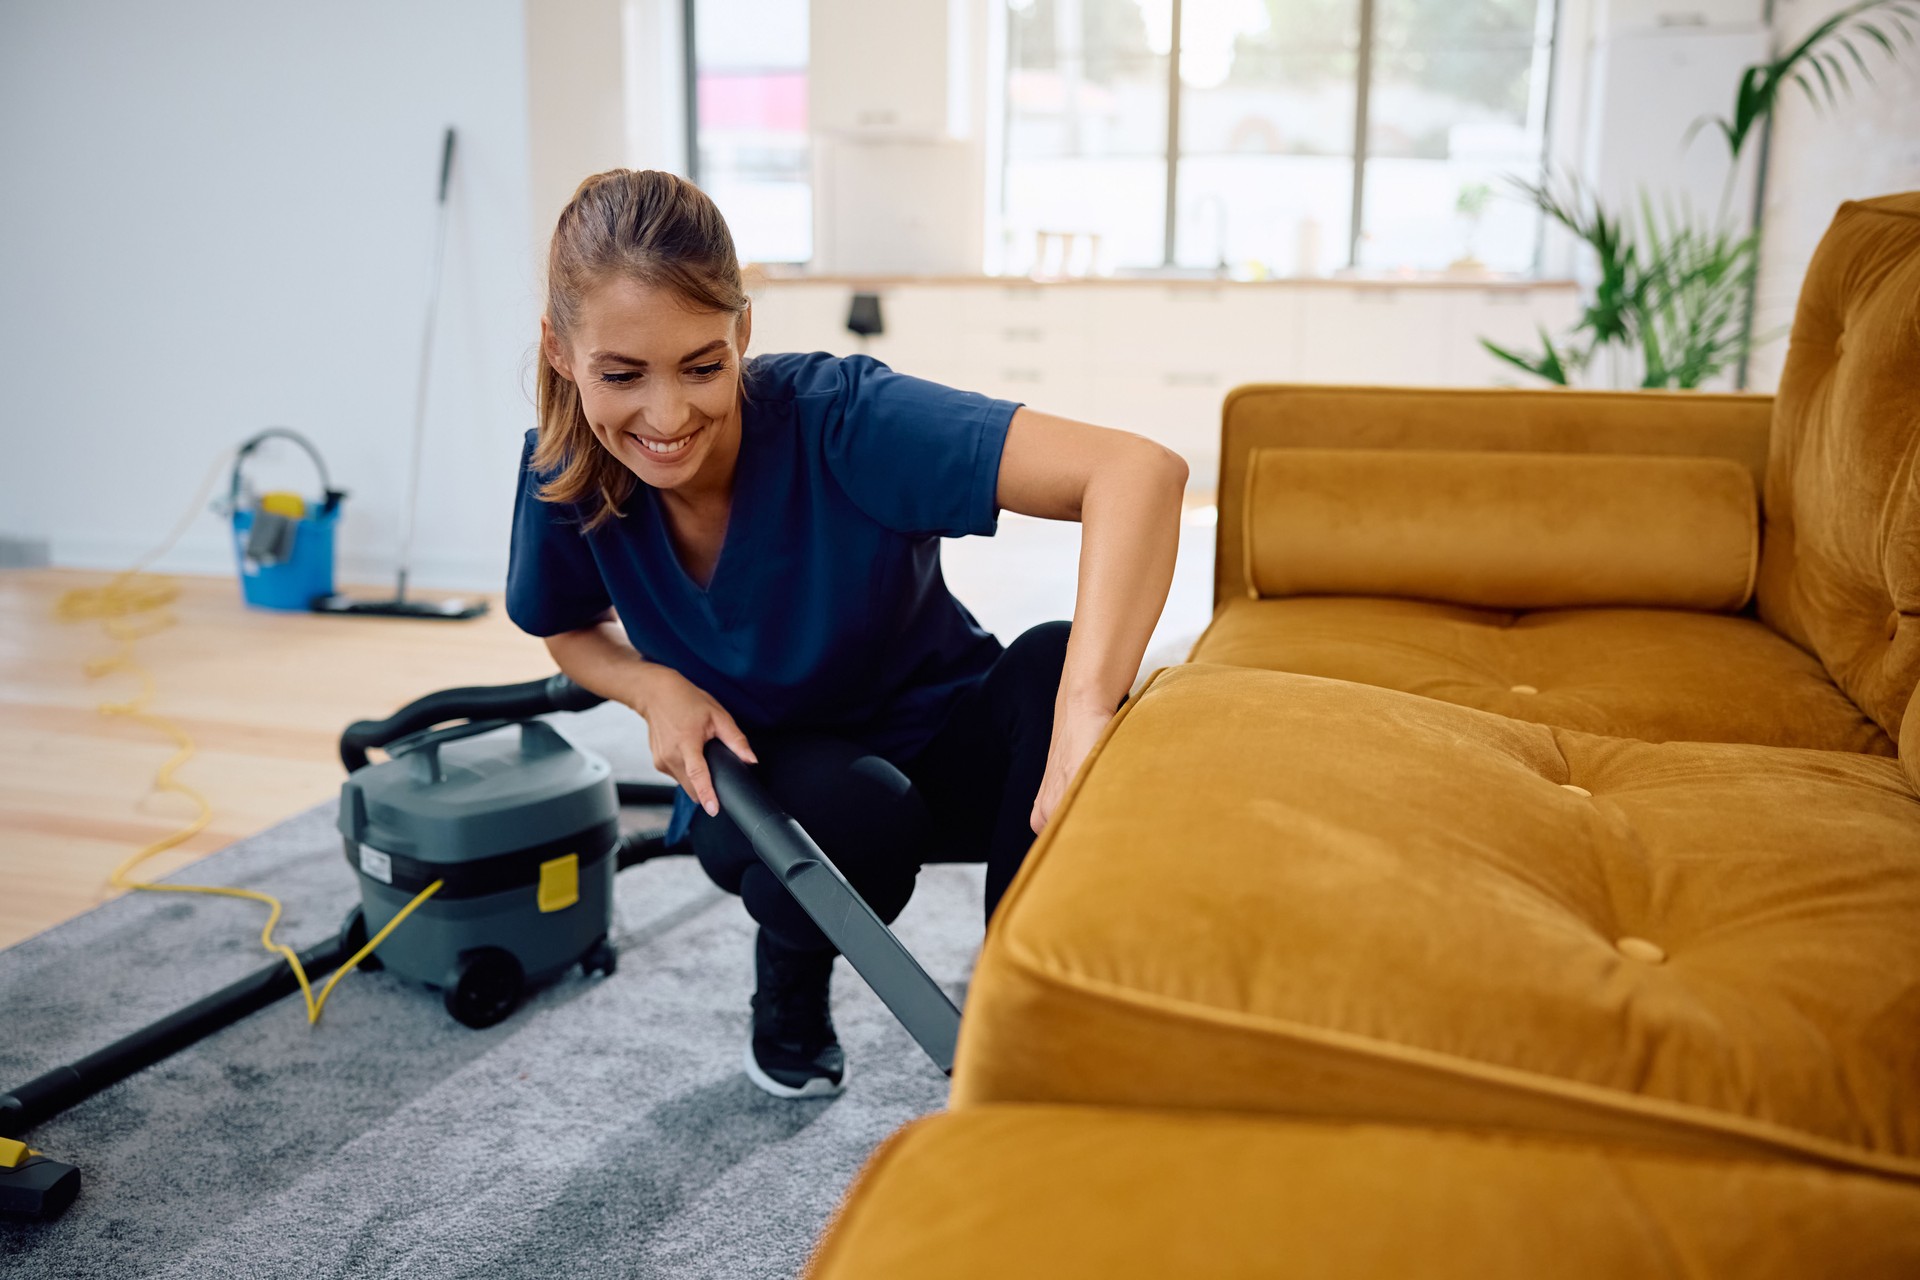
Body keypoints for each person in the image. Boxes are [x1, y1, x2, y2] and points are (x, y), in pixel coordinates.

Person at [506, 170, 1185, 1099]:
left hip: (941, 746)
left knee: (1056, 664)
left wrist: (1080, 718)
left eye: (703, 367)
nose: (667, 418)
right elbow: (565, 629)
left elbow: (1136, 473)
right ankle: (790, 980)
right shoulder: (566, 468)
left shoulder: (844, 421)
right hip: (766, 782)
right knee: (857, 817)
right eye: (622, 376)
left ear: (743, 332)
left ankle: (1021, 1000)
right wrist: (651, 687)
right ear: (559, 350)